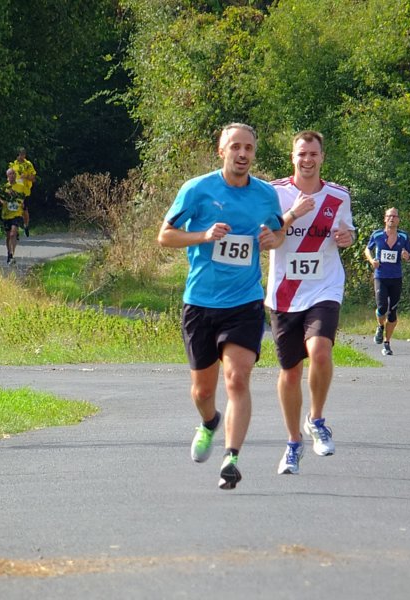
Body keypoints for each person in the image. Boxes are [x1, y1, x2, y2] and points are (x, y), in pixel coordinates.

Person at [157, 123, 285, 490]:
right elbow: (164, 236)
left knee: (238, 377)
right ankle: (210, 421)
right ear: (222, 151)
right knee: (201, 392)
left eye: (248, 148)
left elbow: (277, 233)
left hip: (244, 302)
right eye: (235, 148)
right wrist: (203, 235)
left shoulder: (264, 195)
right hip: (200, 302)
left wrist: (269, 239)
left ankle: (232, 457)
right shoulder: (197, 190)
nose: (242, 154)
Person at [265, 130, 356, 476]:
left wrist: (347, 238)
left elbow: (346, 234)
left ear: (322, 157)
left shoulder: (338, 196)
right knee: (290, 373)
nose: (307, 159)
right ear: (293, 157)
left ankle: (316, 419)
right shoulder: (275, 193)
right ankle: (293, 443)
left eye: (313, 154)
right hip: (285, 293)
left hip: (324, 287)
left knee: (320, 350)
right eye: (301, 154)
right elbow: (267, 240)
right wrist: (292, 215)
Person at [364, 207, 410, 356]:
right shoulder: (377, 235)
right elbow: (367, 249)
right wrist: (372, 260)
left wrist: (407, 256)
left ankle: (387, 343)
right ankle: (380, 326)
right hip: (380, 276)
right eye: (389, 216)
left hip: (396, 277)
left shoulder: (403, 237)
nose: (392, 219)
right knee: (382, 306)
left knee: (392, 313)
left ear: (398, 220)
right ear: (385, 219)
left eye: (395, 216)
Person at [0, 168, 26, 264]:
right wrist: (2, 202)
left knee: (13, 233)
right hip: (6, 214)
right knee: (8, 235)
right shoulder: (4, 187)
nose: (12, 175)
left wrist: (20, 203)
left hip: (16, 213)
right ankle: (9, 253)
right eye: (10, 174)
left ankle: (12, 254)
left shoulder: (20, 186)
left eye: (14, 174)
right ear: (7, 176)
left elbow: (22, 198)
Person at [8, 147, 37, 237]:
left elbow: (34, 179)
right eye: (20, 154)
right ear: (17, 155)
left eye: (23, 154)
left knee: (24, 211)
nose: (22, 156)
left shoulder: (28, 165)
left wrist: (26, 176)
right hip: (15, 191)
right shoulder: (13, 165)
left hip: (25, 191)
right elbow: (8, 177)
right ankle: (15, 230)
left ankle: (26, 225)